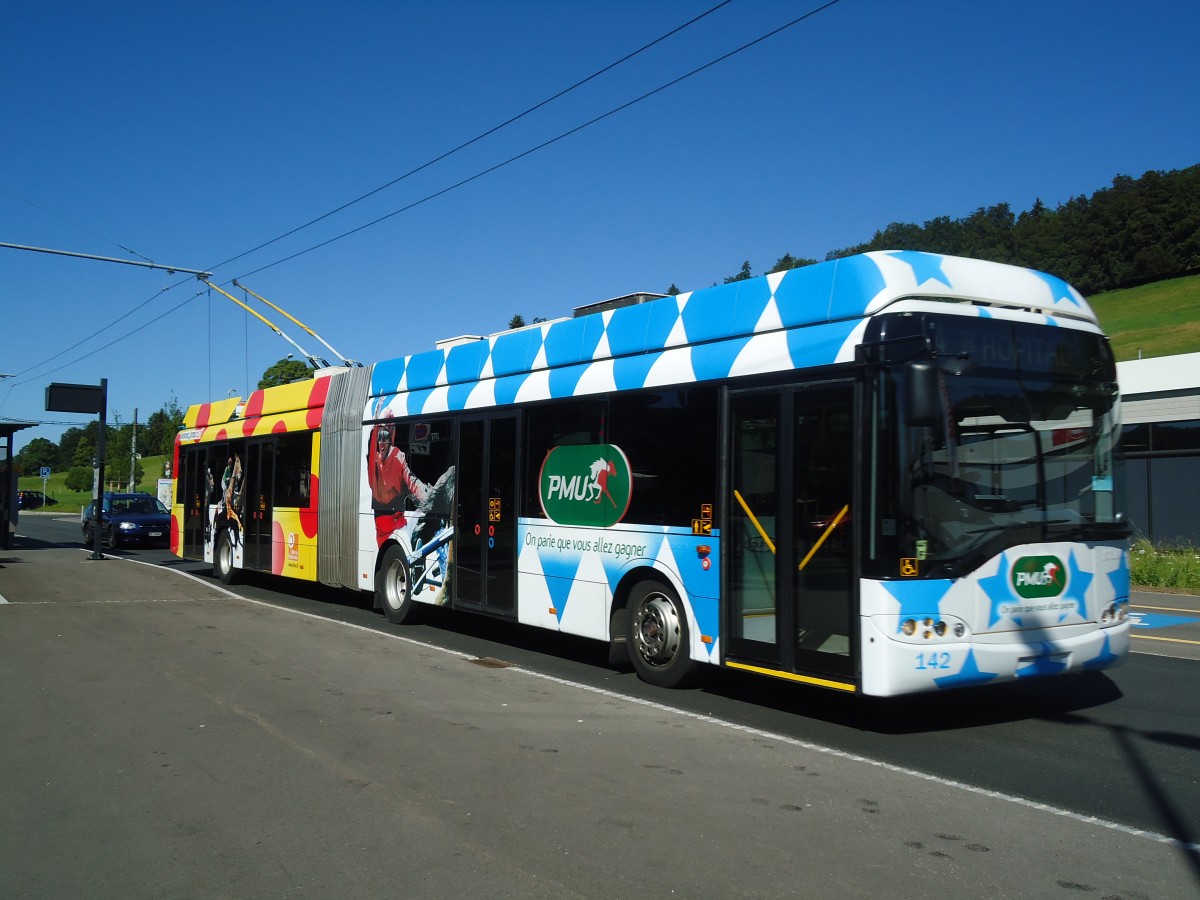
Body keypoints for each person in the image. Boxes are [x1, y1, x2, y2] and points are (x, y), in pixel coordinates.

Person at [367, 419, 428, 546]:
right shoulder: (374, 464)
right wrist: (377, 418)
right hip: (385, 530)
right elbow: (372, 446)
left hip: (400, 524)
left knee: (423, 517)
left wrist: (428, 498)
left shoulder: (398, 456)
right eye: (379, 438)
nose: (382, 442)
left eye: (385, 438)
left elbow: (412, 482)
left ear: (390, 440)